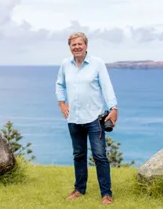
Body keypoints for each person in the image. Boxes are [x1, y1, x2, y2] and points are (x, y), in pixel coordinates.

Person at [55, 32, 118, 205]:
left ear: (86, 45)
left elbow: (107, 86)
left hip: (94, 118)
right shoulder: (65, 65)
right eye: (73, 44)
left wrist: (113, 107)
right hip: (74, 118)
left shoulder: (97, 63)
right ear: (70, 47)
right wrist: (62, 103)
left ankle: (106, 194)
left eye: (79, 44)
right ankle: (79, 189)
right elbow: (60, 84)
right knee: (79, 155)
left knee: (99, 156)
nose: (76, 47)